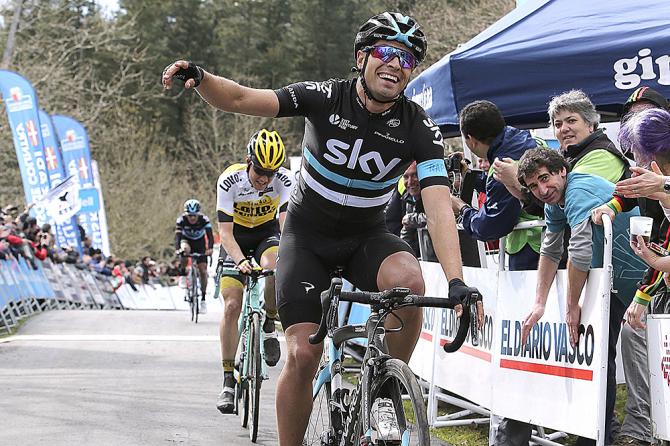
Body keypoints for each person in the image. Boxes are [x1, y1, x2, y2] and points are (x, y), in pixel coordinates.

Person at [162, 11, 480, 445]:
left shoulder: (417, 125)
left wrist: (457, 281)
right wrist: (201, 76)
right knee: (304, 352)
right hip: (306, 239)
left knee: (409, 281)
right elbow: (240, 99)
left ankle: (383, 390)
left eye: (407, 60)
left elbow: (440, 208)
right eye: (387, 52)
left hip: (366, 237)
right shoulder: (325, 96)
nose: (396, 65)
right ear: (362, 57)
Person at [517, 147, 646, 446]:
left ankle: (631, 431)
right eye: (533, 185)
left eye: (545, 178)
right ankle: (597, 433)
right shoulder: (556, 201)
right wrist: (539, 303)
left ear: (562, 170)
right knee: (602, 358)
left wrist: (571, 305)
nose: (542, 189)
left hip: (640, 277)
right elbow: (549, 250)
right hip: (615, 280)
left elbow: (580, 251)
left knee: (640, 354)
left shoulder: (578, 190)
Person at [590, 88, 669, 446]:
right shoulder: (649, 170)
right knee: (637, 332)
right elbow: (630, 189)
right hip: (661, 264)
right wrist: (611, 207)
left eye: (646, 114)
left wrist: (664, 186)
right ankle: (644, 427)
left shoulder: (660, 172)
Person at [215, 128, 292, 414]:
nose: (265, 178)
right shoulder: (229, 180)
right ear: (249, 161)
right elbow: (224, 233)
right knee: (232, 305)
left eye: (271, 173)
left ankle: (269, 324)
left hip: (265, 236)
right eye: (260, 170)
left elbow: (286, 228)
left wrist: (291, 257)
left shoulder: (283, 180)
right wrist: (238, 261)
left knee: (274, 266)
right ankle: (227, 381)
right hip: (235, 238)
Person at [452, 100, 543, 271]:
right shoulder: (527, 139)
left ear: (470, 140)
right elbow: (501, 190)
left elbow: (489, 226)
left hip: (530, 251)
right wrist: (471, 176)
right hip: (554, 243)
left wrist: (461, 208)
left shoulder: (501, 167)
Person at [175, 199, 214, 313]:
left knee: (203, 270)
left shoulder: (204, 219)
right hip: (186, 241)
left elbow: (210, 236)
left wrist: (210, 248)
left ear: (198, 214)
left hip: (200, 243)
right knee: (185, 249)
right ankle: (183, 273)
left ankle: (203, 298)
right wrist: (178, 249)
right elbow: (177, 237)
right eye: (190, 216)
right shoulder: (181, 220)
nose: (192, 218)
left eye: (194, 216)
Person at [384, 161, 425, 257]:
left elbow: (439, 217)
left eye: (415, 175)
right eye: (406, 177)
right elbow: (406, 230)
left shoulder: (437, 195)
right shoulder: (407, 199)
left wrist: (412, 219)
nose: (410, 182)